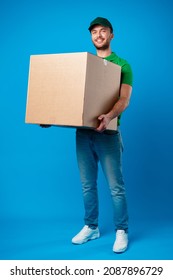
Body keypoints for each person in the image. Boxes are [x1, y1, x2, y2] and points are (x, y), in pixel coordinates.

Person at [71, 17, 133, 253]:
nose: (98, 35)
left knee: (116, 186)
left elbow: (124, 99)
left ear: (112, 35)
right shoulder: (83, 64)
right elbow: (69, 98)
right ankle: (91, 227)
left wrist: (109, 117)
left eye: (103, 31)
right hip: (83, 134)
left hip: (108, 133)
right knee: (87, 185)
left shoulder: (122, 65)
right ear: (91, 36)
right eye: (94, 32)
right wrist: (51, 117)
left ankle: (121, 231)